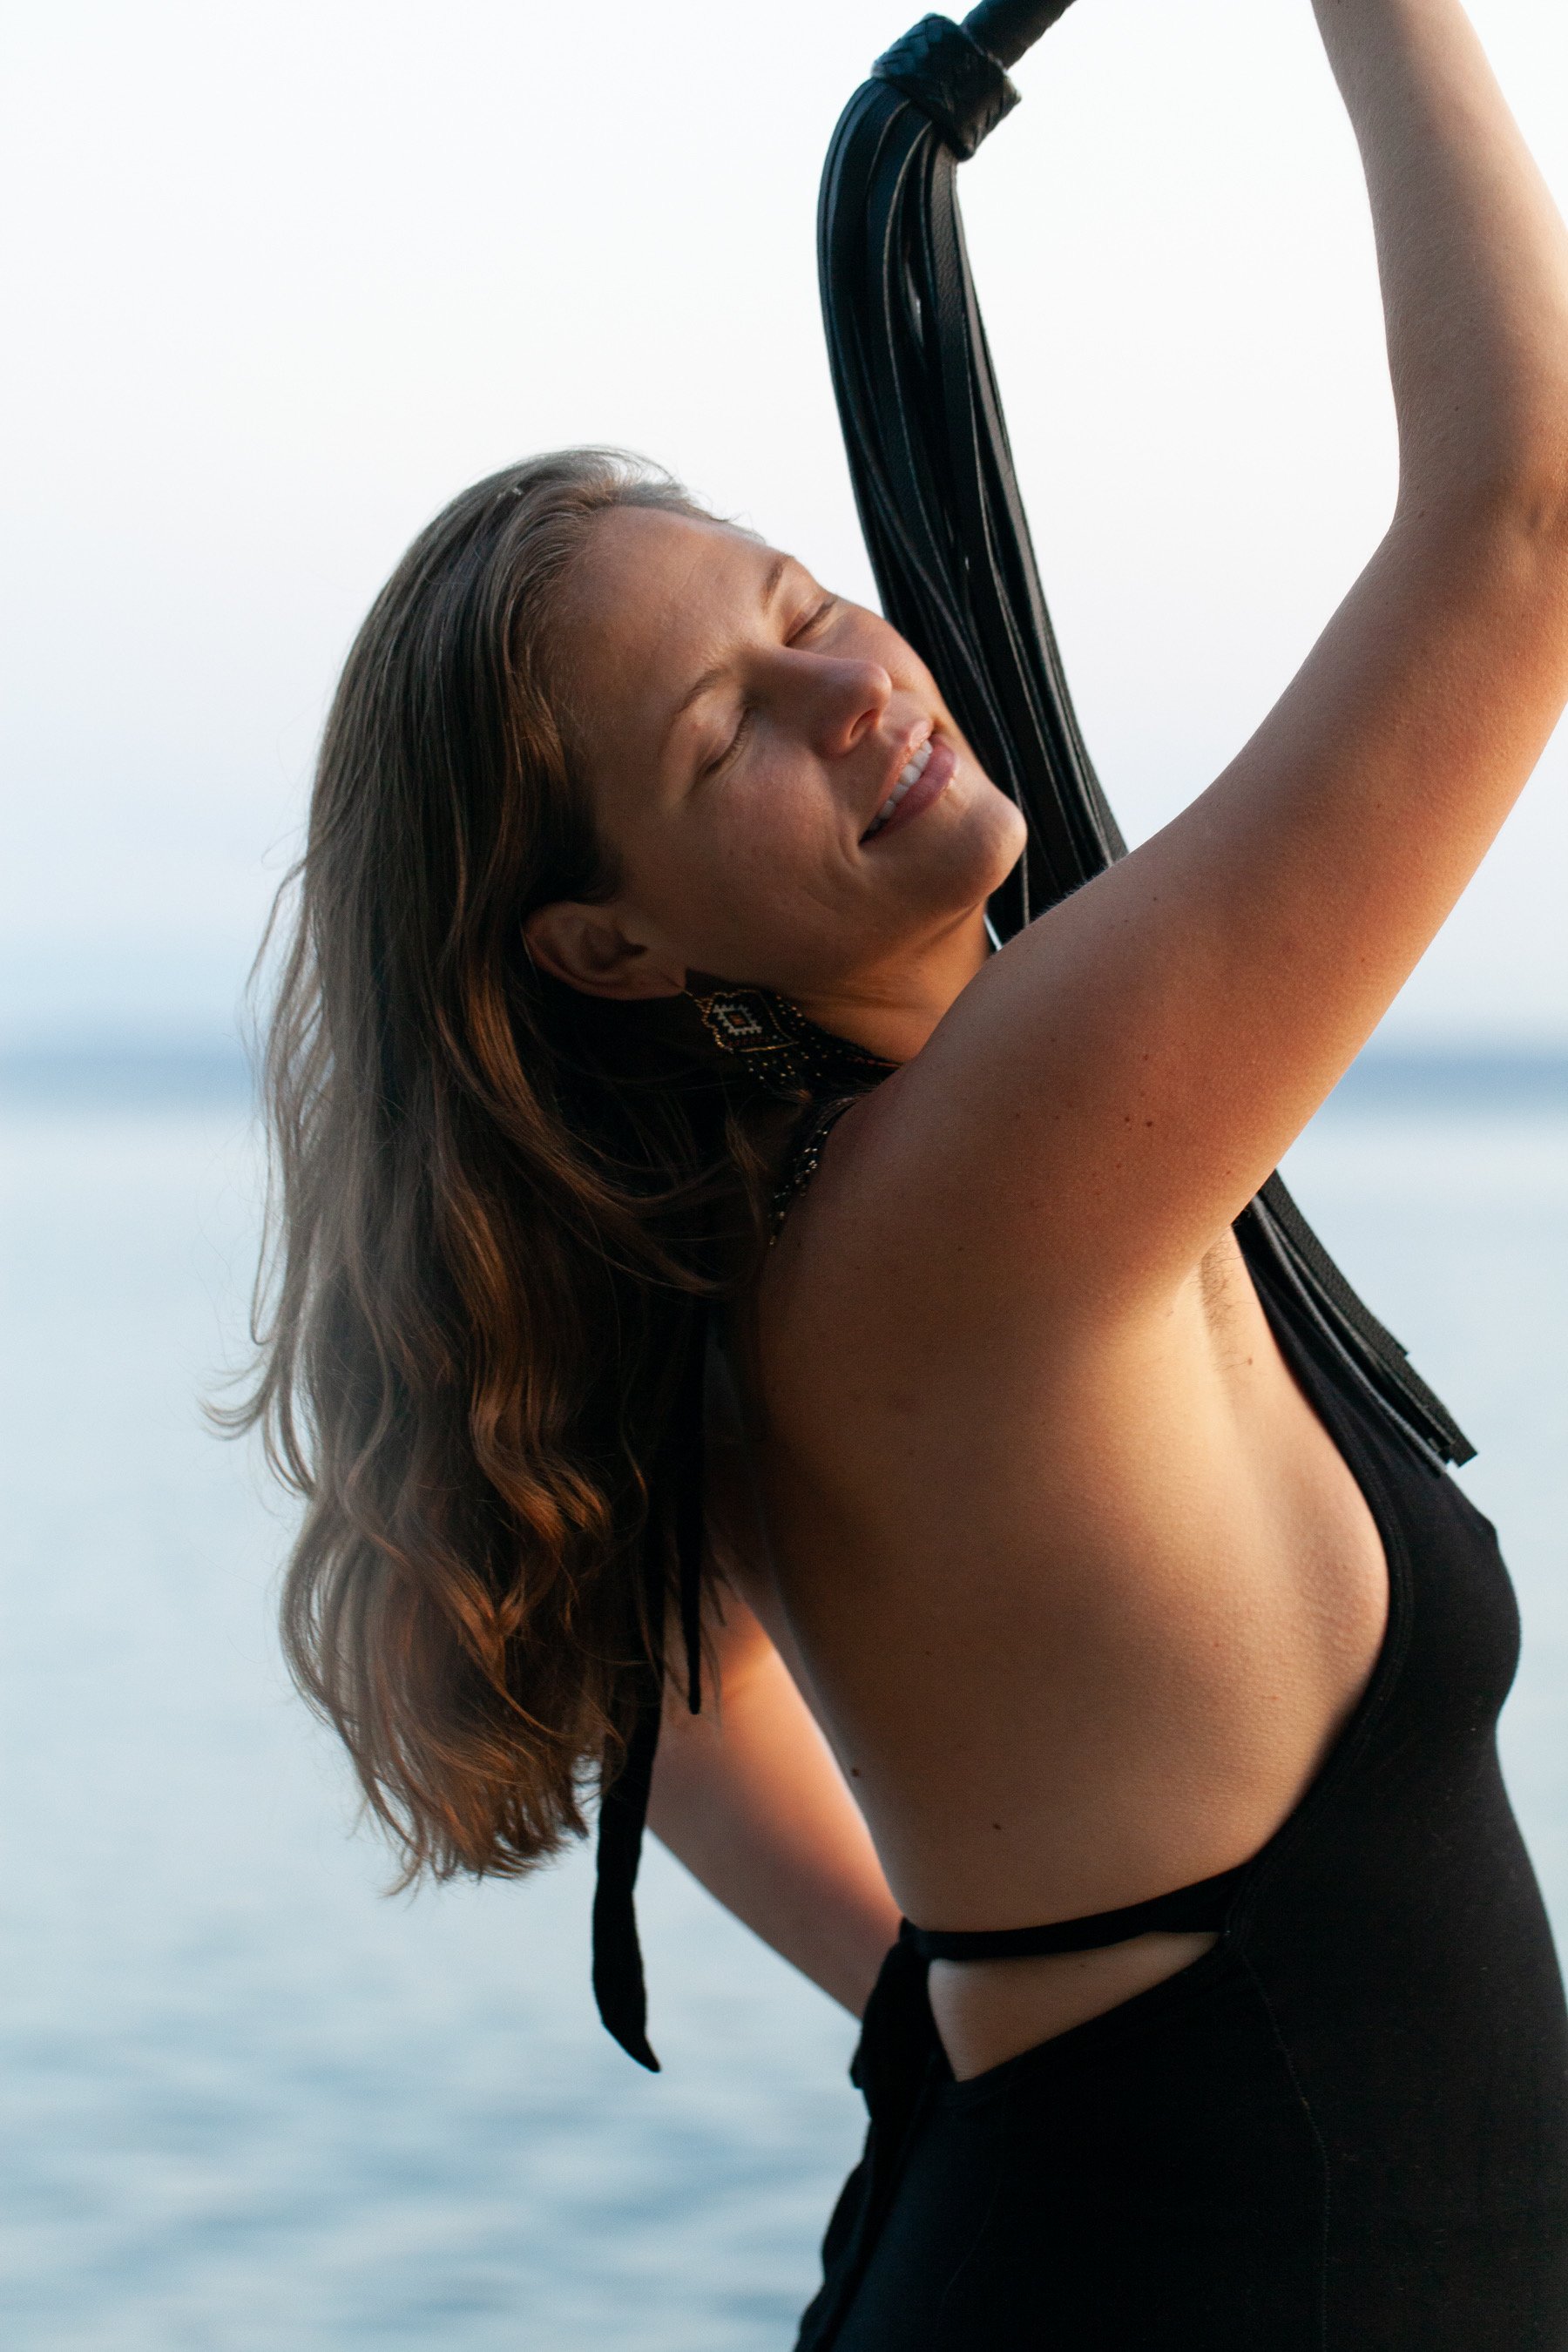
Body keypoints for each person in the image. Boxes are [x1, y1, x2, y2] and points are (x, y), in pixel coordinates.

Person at [244, 0, 1568, 2341]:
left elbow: (670, 1700)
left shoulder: (779, 1253)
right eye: (724, 731)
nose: (847, 683)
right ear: (611, 944)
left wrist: (963, 2005)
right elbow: (1530, 527)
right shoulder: (974, 1189)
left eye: (792, 606)